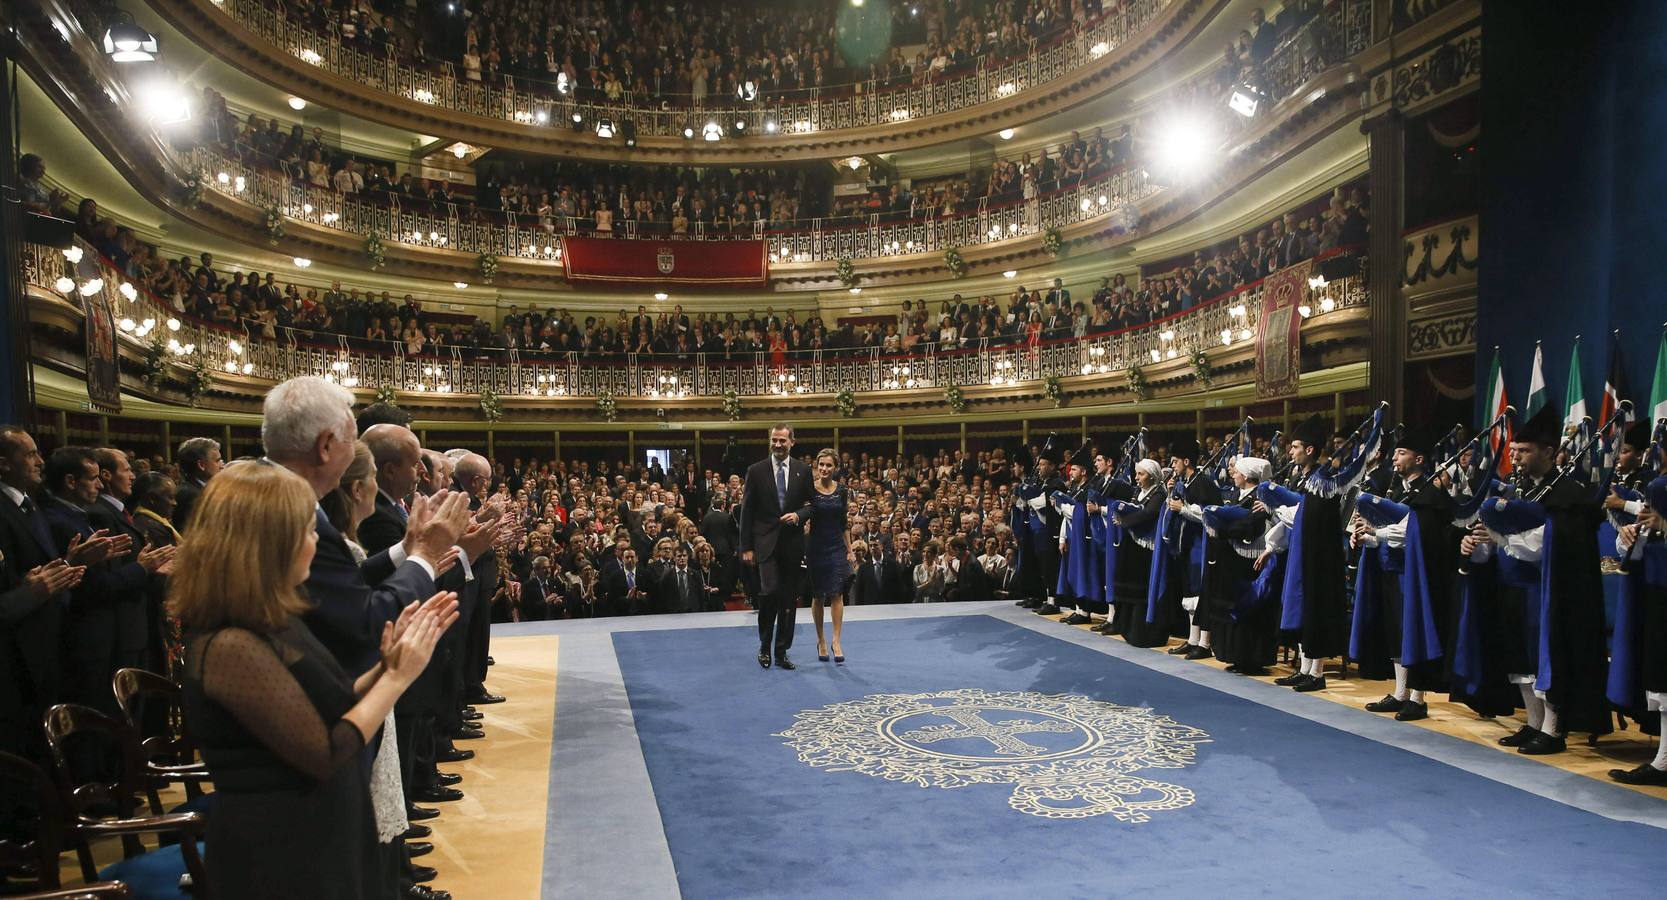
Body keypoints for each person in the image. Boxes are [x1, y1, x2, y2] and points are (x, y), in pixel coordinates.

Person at [174, 459, 459, 900]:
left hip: (323, 828)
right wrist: (395, 680)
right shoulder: (230, 644)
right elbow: (326, 752)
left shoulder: (277, 619)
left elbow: (333, 701)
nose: (315, 543)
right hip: (279, 849)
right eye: (307, 531)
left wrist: (389, 664)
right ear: (270, 543)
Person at [739, 424, 812, 670]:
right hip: (764, 544)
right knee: (769, 594)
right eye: (774, 440)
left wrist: (799, 515)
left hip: (792, 544)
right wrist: (746, 547)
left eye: (782, 440)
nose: (778, 445)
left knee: (789, 601)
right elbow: (746, 511)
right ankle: (764, 646)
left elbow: (811, 504)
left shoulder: (803, 470)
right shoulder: (756, 471)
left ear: (792, 442)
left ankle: (781, 652)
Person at [805, 449, 851, 663]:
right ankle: (821, 640)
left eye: (828, 465)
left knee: (837, 593)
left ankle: (836, 641)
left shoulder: (842, 490)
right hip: (815, 546)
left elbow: (844, 523)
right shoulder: (809, 489)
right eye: (821, 464)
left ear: (836, 468)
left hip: (836, 547)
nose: (824, 469)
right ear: (816, 466)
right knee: (818, 595)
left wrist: (849, 549)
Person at [172, 436, 224, 532]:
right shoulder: (190, 495)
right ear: (201, 465)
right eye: (217, 461)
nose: (222, 465)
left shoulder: (199, 490)